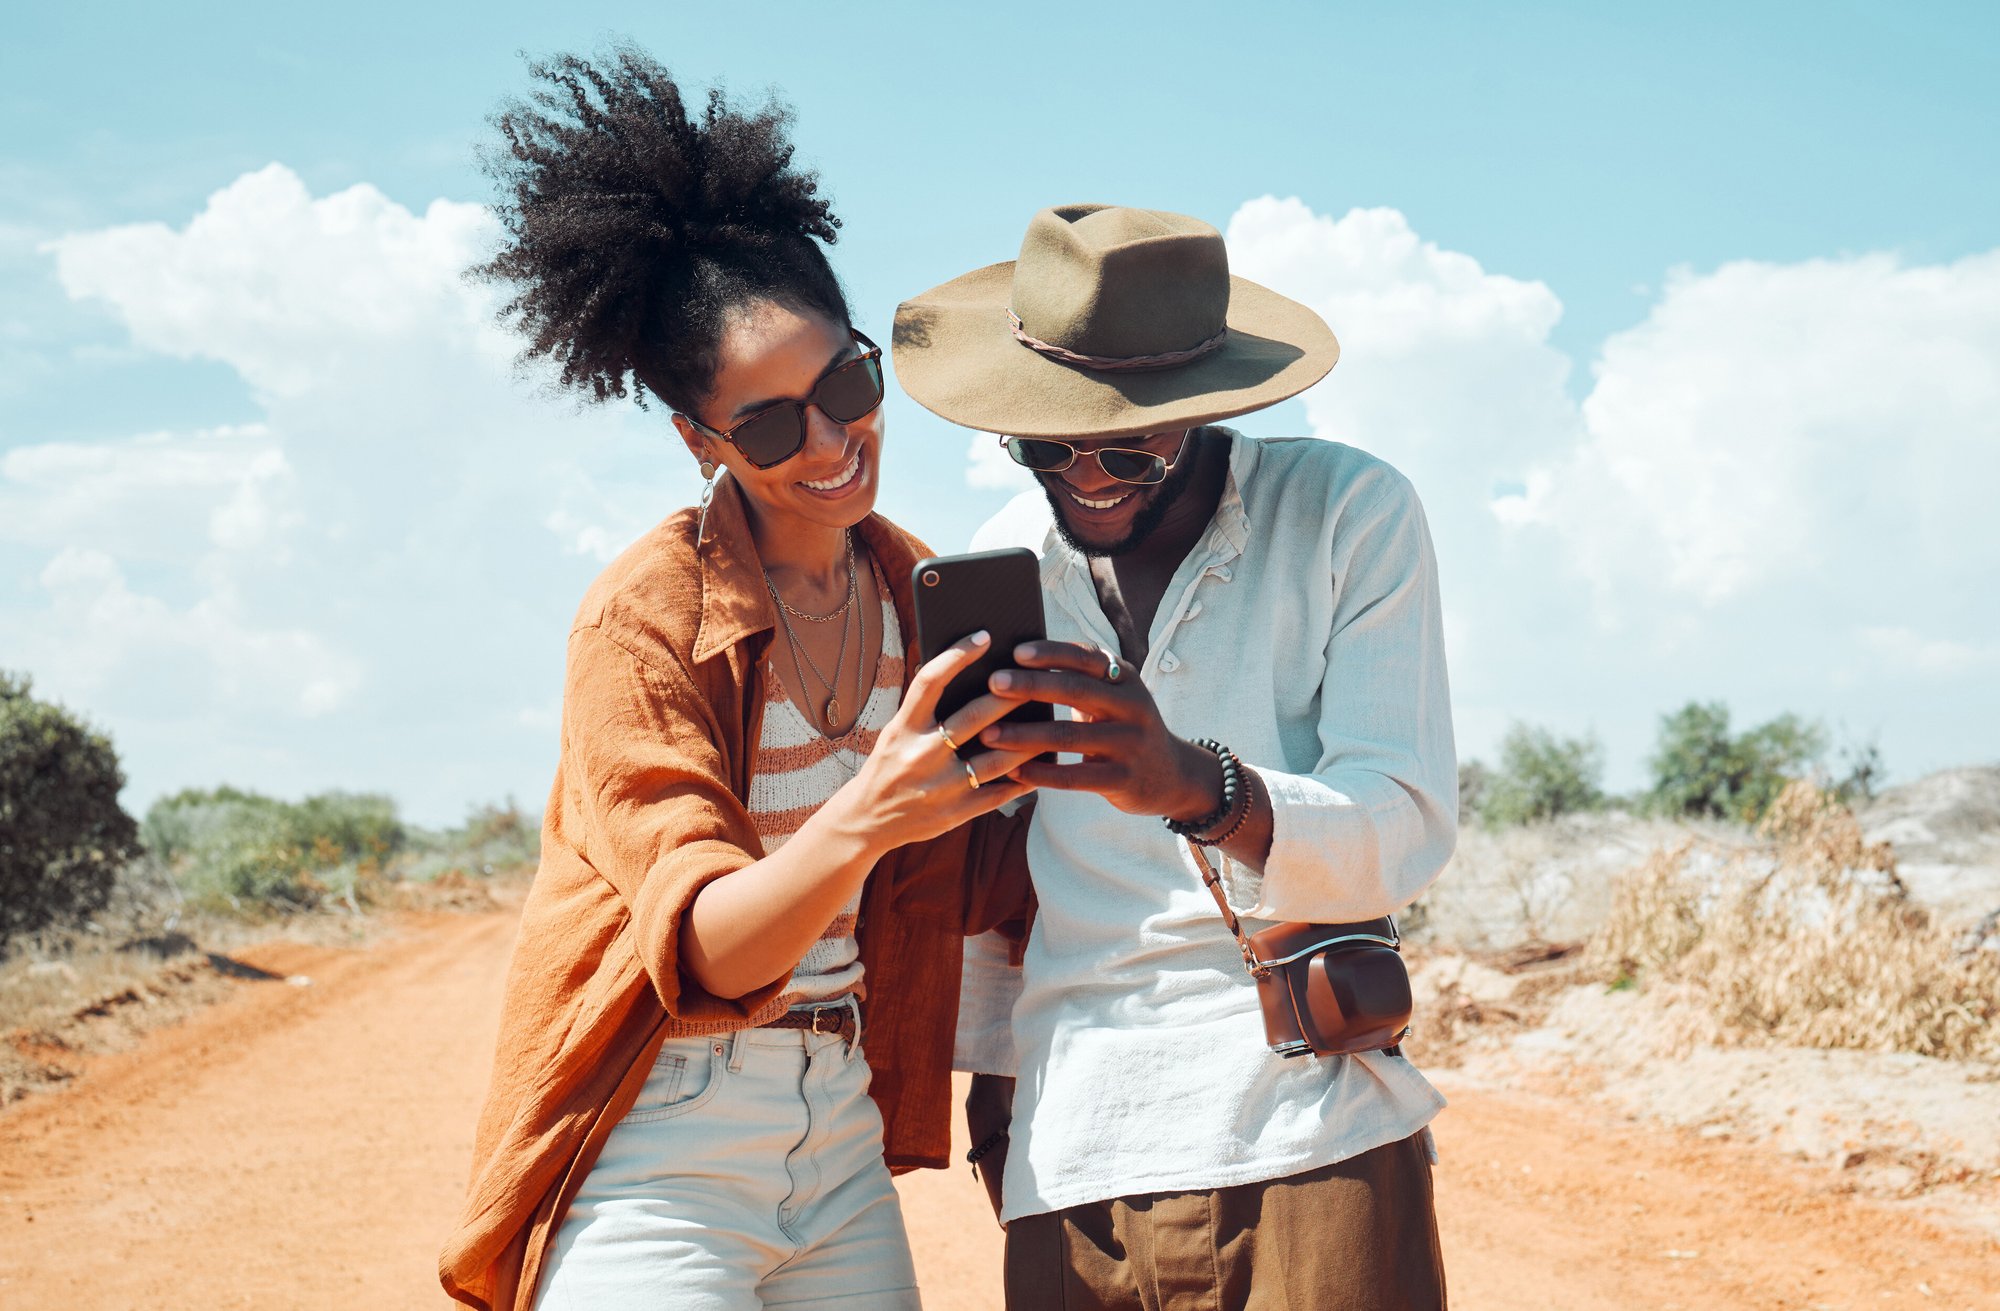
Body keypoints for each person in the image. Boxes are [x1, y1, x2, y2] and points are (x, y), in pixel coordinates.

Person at [438, 50, 1038, 1311]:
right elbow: (704, 948)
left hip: (839, 1133)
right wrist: (869, 812)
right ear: (698, 440)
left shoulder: (916, 591)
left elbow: (983, 885)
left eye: (845, 385)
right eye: (767, 426)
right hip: (659, 1135)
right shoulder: (639, 623)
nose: (829, 442)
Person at [893, 204, 1457, 1308]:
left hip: (1306, 1126)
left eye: (1127, 446)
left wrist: (1198, 787)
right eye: (1044, 447)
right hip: (1074, 1148)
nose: (1085, 477)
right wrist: (995, 1100)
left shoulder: (1346, 512)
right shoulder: (1010, 577)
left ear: (1201, 412)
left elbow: (1402, 825)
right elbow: (1006, 894)